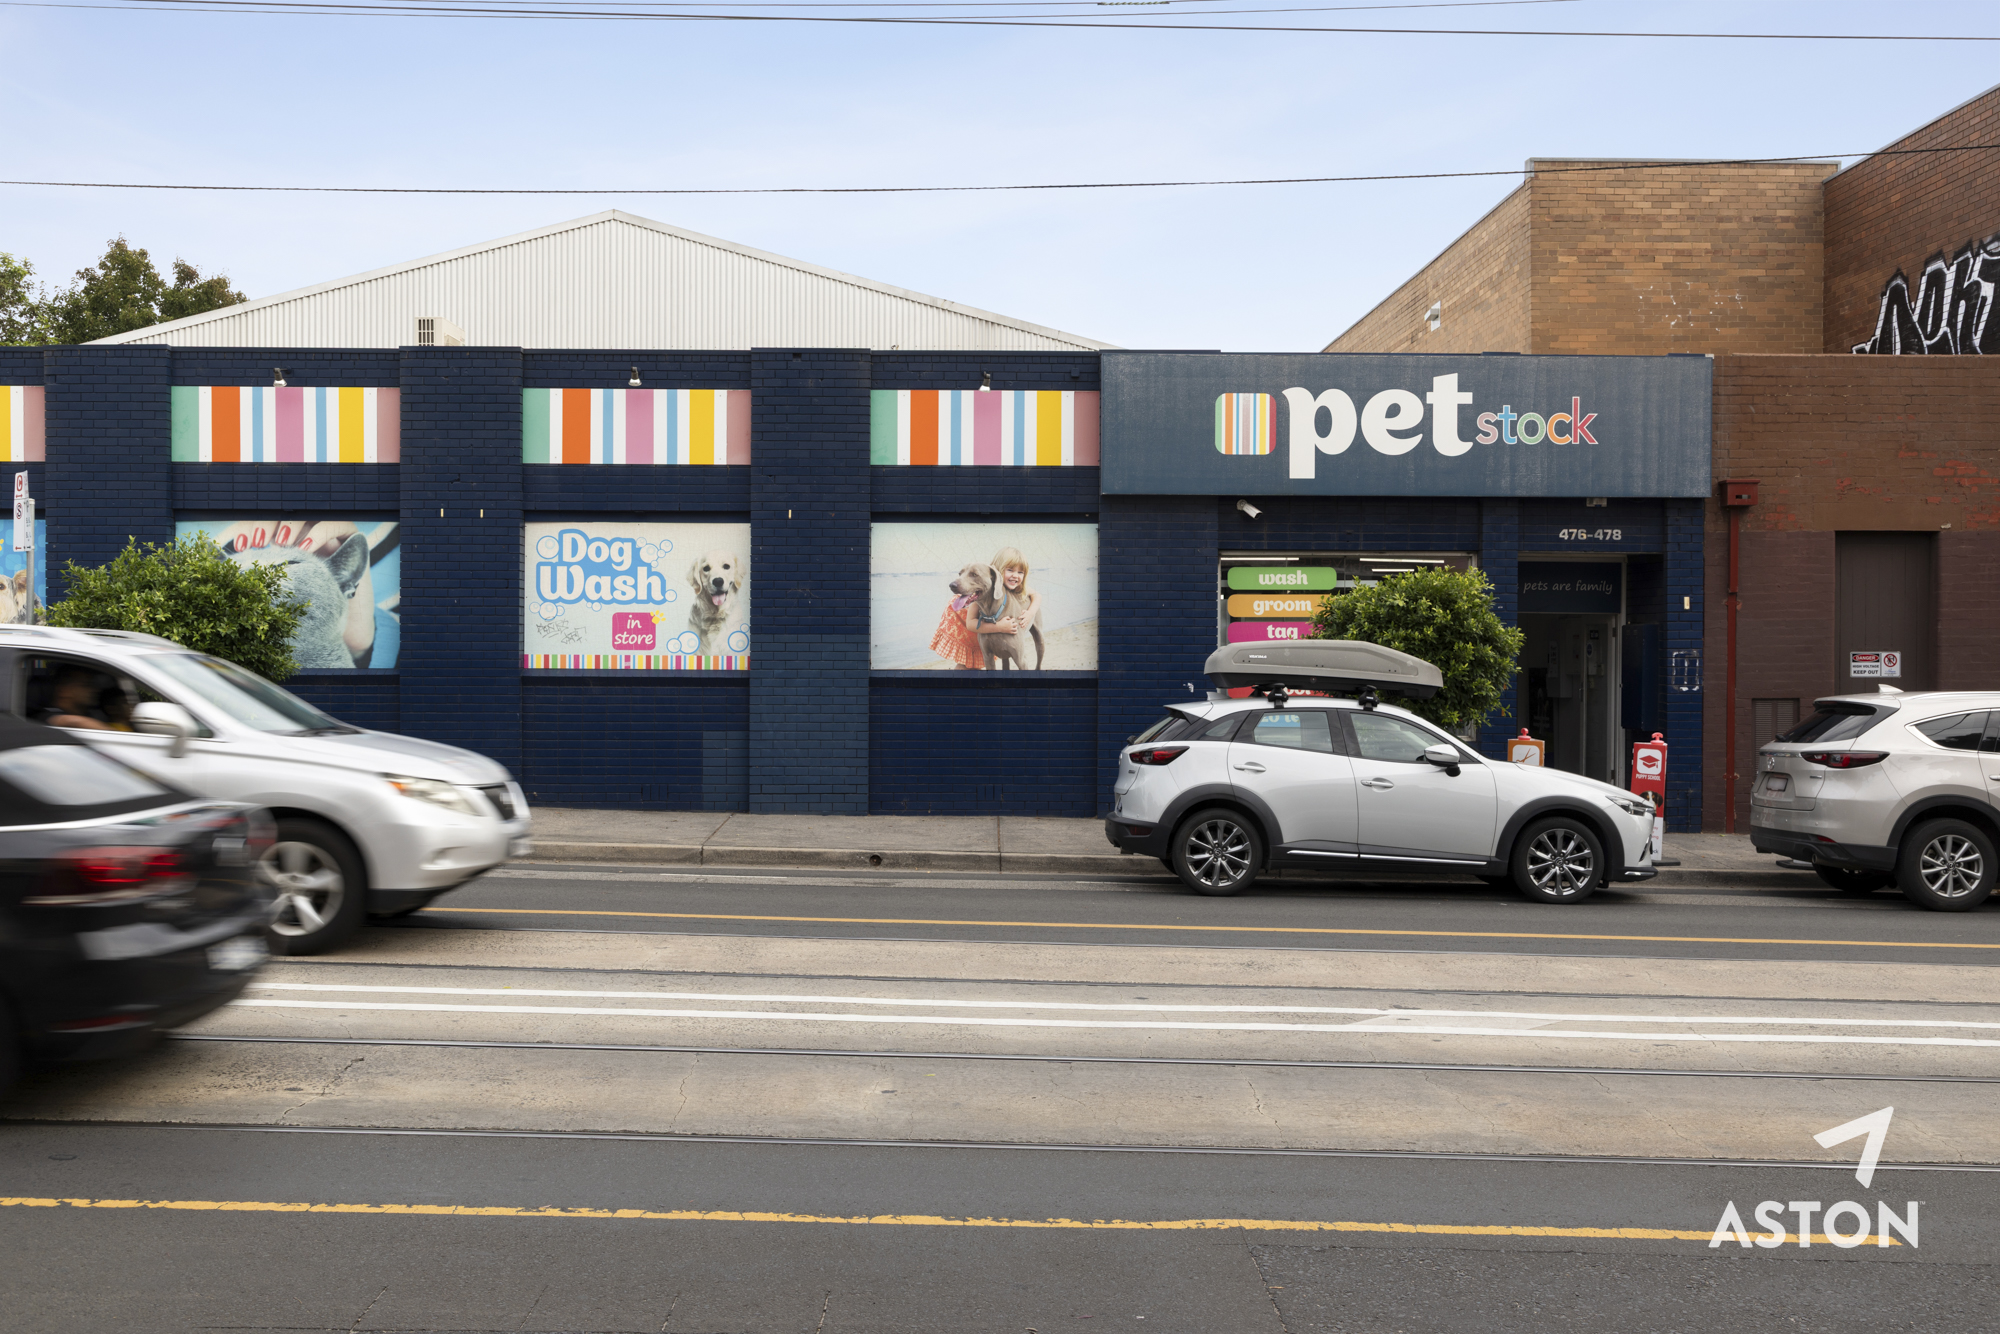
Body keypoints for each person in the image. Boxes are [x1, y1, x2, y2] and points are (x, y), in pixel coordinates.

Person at [36, 666, 113, 730]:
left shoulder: (95, 715)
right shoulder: (47, 717)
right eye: (86, 685)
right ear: (64, 690)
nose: (95, 690)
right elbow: (72, 721)